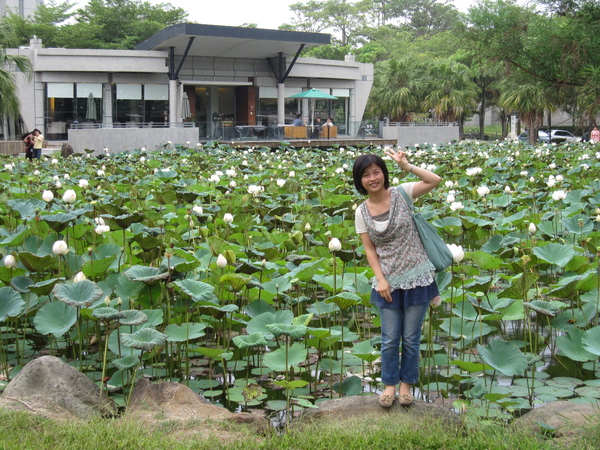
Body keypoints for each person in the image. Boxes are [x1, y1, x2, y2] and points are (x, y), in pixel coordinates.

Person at [353, 149, 441, 408]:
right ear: (360, 181)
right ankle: (389, 385)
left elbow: (434, 180)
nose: (372, 178)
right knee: (390, 338)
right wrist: (380, 280)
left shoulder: (402, 193)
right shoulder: (361, 212)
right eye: (366, 175)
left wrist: (408, 165)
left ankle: (406, 386)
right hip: (388, 282)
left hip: (418, 277)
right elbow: (370, 249)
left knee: (411, 337)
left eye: (376, 172)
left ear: (384, 173)